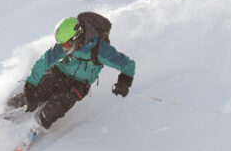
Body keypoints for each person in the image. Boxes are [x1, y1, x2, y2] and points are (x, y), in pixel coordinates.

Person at [7, 14, 135, 131]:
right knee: (39, 91)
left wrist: (123, 82)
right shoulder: (63, 47)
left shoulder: (101, 50)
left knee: (55, 107)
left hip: (79, 84)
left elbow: (128, 64)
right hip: (59, 73)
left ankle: (37, 126)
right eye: (62, 44)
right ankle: (13, 108)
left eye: (67, 44)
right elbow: (43, 62)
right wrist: (30, 87)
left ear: (77, 38)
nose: (63, 48)